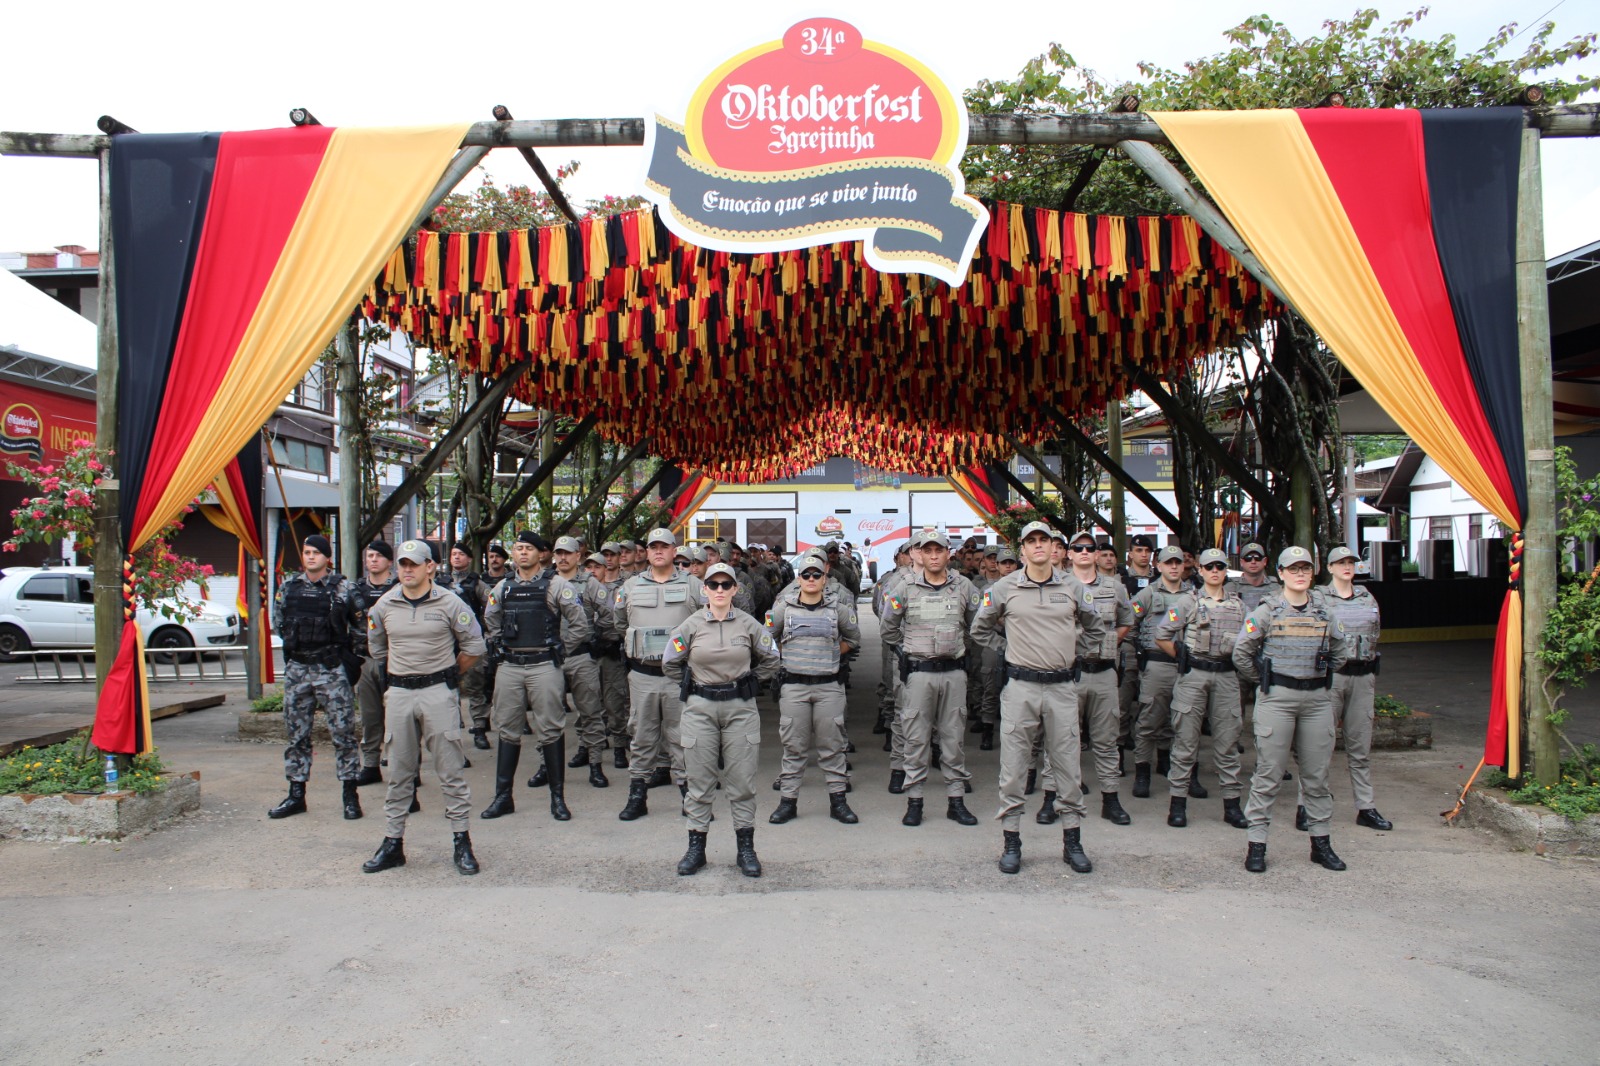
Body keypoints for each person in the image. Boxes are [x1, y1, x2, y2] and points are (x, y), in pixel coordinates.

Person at [971, 521, 1107, 875]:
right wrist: (1007, 649)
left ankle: (1072, 841)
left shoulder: (1073, 587)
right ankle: (1011, 841)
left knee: (1068, 767)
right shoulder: (1005, 588)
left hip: (1062, 687)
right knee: (1014, 768)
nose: (1038, 546)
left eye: (1043, 540)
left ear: (1053, 546)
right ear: (1023, 550)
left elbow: (1096, 628)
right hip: (1021, 688)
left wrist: (1073, 651)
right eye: (1030, 541)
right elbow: (979, 629)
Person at [362, 539, 488, 875]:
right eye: (402, 564)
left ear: (430, 567)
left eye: (414, 564)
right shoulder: (384, 605)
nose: (407, 570)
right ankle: (393, 843)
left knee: (450, 771)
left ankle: (462, 841)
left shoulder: (450, 602)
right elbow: (377, 648)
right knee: (399, 772)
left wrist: (449, 675)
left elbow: (474, 645)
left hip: (437, 693)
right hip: (400, 694)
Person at [1232, 546, 1352, 874]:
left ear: (1313, 573)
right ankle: (1256, 845)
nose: (1300, 574)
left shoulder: (1325, 612)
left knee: (1317, 777)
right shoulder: (1267, 611)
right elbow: (1242, 653)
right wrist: (1267, 681)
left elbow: (1340, 653)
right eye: (1293, 569)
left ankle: (1321, 844)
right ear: (1281, 573)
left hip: (1316, 700)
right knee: (1268, 774)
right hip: (1278, 699)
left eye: (1305, 569)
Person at [663, 562, 783, 876]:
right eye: (713, 584)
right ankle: (696, 848)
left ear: (734, 589)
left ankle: (746, 849)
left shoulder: (748, 624)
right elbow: (670, 662)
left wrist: (752, 680)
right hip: (700, 708)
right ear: (704, 589)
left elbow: (772, 657)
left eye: (725, 585)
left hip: (739, 708)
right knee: (699, 783)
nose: (719, 590)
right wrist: (692, 684)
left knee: (742, 782)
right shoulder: (690, 625)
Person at [478, 530, 591, 822]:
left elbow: (579, 623)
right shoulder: (502, 587)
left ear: (540, 554)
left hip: (544, 665)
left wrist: (561, 650)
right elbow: (490, 619)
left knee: (551, 730)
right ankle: (503, 797)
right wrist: (500, 643)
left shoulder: (557, 585)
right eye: (519, 548)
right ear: (513, 554)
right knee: (507, 730)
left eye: (529, 548)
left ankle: (557, 798)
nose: (523, 553)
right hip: (510, 666)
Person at [881, 530, 982, 827]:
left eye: (939, 550)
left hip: (953, 673)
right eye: (928, 551)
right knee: (916, 739)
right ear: (920, 555)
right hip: (919, 674)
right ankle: (915, 802)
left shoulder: (964, 586)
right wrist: (909, 650)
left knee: (953, 738)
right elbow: (888, 628)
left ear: (948, 553)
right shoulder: (904, 587)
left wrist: (959, 647)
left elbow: (977, 625)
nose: (934, 556)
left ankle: (956, 801)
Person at [269, 534, 364, 821]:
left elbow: (362, 629)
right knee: (296, 735)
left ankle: (350, 795)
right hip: (298, 670)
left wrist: (349, 661)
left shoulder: (344, 589)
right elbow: (279, 623)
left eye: (316, 552)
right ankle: (296, 795)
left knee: (344, 735)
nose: (310, 557)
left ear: (327, 558)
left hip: (330, 669)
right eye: (307, 552)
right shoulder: (288, 588)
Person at [1154, 548, 1250, 830]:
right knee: (1185, 742)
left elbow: (1251, 639)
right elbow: (1162, 635)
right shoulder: (1188, 601)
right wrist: (1183, 658)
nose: (1215, 571)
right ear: (1201, 570)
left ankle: (1232, 806)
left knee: (1228, 744)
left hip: (1227, 676)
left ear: (1225, 570)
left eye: (1220, 566)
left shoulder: (1239, 606)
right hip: (1194, 674)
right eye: (1210, 567)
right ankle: (1177, 805)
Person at [613, 527, 705, 820]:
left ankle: (689, 797)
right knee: (641, 737)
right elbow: (620, 622)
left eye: (664, 546)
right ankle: (637, 797)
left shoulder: (694, 585)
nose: (658, 551)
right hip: (642, 676)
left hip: (680, 678)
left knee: (683, 739)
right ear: (647, 552)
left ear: (674, 551)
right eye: (653, 547)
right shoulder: (630, 586)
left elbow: (707, 622)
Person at [767, 555, 861, 825]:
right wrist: (787, 653)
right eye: (806, 575)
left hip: (828, 688)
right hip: (794, 687)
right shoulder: (783, 609)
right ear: (799, 579)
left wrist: (833, 652)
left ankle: (838, 802)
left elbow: (853, 638)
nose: (811, 579)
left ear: (824, 579)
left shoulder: (838, 609)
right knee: (793, 748)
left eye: (816, 575)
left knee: (832, 747)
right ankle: (788, 802)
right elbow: (766, 639)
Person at [1312, 546, 1392, 831]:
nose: (1347, 567)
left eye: (1351, 562)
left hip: (1363, 676)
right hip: (1332, 677)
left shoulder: (1366, 596)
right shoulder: (1318, 598)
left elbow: (1375, 633)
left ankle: (1365, 807)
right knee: (1320, 745)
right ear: (1329, 567)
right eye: (1340, 562)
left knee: (1360, 746)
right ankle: (1308, 804)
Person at [1065, 530, 1135, 827]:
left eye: (1089, 548)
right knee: (1064, 741)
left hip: (1104, 672)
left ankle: (1111, 800)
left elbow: (1126, 621)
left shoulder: (1115, 587)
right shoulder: (1058, 586)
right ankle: (1057, 798)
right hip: (1070, 673)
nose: (1084, 552)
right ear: (1068, 553)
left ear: (1096, 554)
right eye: (1078, 547)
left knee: (1107, 741)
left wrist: (1108, 642)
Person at [552, 534, 613, 787]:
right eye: (559, 553)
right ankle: (547, 766)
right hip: (551, 659)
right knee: (549, 715)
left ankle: (595, 764)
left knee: (590, 712)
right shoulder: (546, 583)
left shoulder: (590, 584)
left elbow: (609, 613)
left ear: (578, 556)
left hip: (580, 656)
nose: (563, 557)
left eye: (568, 553)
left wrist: (596, 636)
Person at [1129, 546, 1189, 799]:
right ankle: (1142, 772)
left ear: (1183, 566)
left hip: (1187, 665)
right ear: (1159, 566)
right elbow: (1128, 620)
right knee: (1150, 718)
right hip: (1157, 663)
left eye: (1178, 562)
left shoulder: (1193, 595)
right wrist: (1138, 651)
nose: (1174, 567)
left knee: (1181, 720)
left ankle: (1166, 761)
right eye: (1168, 562)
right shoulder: (1148, 594)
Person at [352, 539, 398, 788]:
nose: (373, 560)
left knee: (400, 718)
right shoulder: (355, 591)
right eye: (370, 556)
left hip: (396, 661)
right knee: (370, 717)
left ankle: (406, 767)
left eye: (378, 556)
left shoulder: (400, 588)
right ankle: (370, 765)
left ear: (389, 561)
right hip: (366, 660)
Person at [442, 544, 493, 750]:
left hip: (470, 641)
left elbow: (491, 608)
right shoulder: (441, 583)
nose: (456, 557)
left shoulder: (477, 583)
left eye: (461, 554)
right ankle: (453, 731)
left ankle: (479, 728)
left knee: (475, 686)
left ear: (469, 559)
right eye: (453, 554)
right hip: (447, 643)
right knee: (448, 688)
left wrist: (485, 632)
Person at [586, 550, 632, 771]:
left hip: (611, 651)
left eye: (597, 566)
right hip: (588, 652)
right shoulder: (580, 589)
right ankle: (588, 747)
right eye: (589, 567)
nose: (593, 571)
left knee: (615, 701)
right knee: (589, 702)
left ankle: (619, 746)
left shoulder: (621, 589)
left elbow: (622, 620)